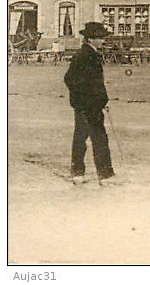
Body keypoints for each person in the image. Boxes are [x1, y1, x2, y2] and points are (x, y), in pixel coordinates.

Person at [64, 22, 119, 185]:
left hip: (84, 104)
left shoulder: (83, 54)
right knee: (99, 138)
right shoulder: (89, 55)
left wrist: (80, 98)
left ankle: (77, 173)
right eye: (100, 38)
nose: (103, 41)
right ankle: (105, 175)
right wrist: (97, 100)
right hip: (90, 105)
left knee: (81, 137)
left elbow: (71, 79)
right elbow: (91, 83)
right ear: (90, 39)